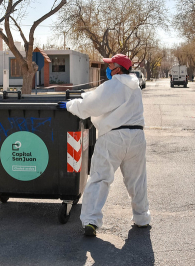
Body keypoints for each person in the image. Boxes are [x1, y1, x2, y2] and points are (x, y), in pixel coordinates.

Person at [57, 54, 151, 237]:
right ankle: (142, 218)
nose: (107, 68)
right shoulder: (134, 86)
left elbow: (91, 105)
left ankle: (91, 221)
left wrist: (71, 105)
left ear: (118, 69)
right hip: (137, 137)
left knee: (100, 178)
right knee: (137, 180)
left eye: (111, 65)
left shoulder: (114, 85)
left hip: (114, 137)